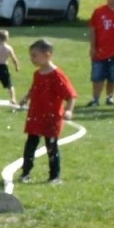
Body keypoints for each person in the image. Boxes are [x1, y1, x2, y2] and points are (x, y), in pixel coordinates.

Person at [16, 39, 75, 184]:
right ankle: (26, 173)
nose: (32, 59)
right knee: (30, 144)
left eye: (35, 55)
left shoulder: (57, 75)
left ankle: (54, 176)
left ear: (47, 55)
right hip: (36, 116)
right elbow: (35, 88)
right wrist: (27, 97)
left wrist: (69, 111)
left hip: (51, 118)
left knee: (52, 147)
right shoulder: (37, 74)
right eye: (31, 56)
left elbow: (70, 95)